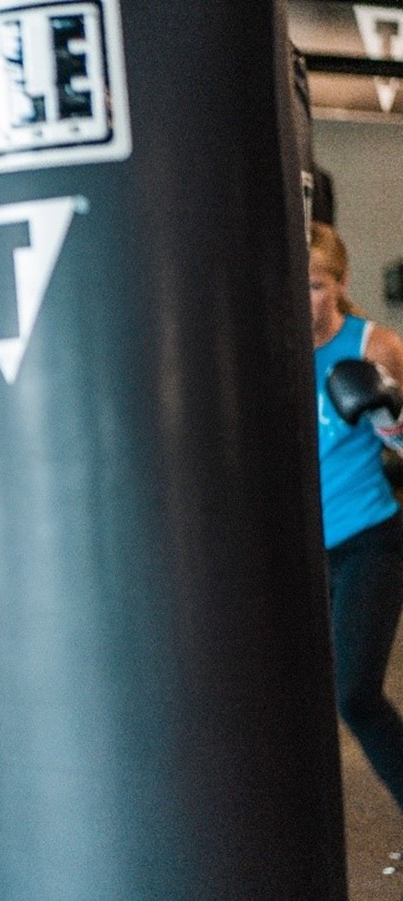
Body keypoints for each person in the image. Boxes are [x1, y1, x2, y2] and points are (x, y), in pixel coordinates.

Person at [312, 221, 403, 813]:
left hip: (368, 538)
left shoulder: (375, 345)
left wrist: (389, 414)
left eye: (317, 285)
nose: (305, 299)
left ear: (340, 285)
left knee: (356, 694)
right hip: (295, 550)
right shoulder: (259, 346)